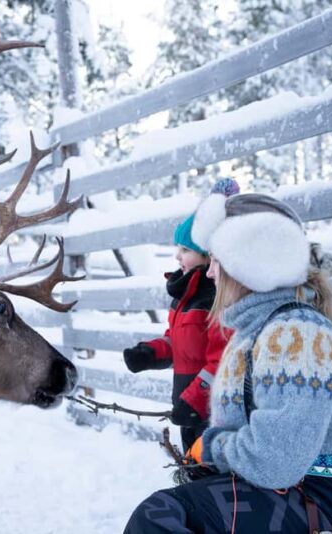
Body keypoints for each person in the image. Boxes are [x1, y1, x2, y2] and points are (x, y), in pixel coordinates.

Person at [125, 192, 332, 534]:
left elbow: (277, 461)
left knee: (161, 516)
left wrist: (212, 448)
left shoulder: (296, 336)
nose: (210, 273)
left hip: (323, 501)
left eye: (216, 261)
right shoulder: (257, 332)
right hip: (292, 491)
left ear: (248, 262)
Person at [122, 178, 239, 453]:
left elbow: (221, 362)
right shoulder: (185, 297)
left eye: (185, 250)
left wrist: (194, 401)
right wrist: (150, 353)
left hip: (212, 414)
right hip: (189, 408)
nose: (177, 256)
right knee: (191, 467)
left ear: (209, 256)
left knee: (207, 473)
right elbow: (179, 343)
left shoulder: (216, 298)